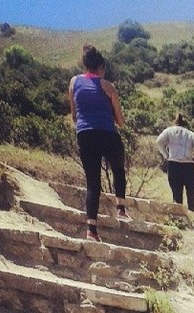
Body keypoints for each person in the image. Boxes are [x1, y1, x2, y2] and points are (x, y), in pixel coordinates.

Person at [68, 44, 129, 242]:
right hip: (107, 134)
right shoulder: (108, 86)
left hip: (85, 134)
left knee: (93, 183)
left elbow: (74, 115)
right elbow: (120, 121)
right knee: (118, 169)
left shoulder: (74, 82)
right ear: (101, 66)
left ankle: (92, 231)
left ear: (84, 64)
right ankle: (120, 209)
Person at [156, 114, 194, 212]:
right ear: (186, 124)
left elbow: (159, 142)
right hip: (189, 167)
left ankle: (179, 220)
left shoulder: (169, 131)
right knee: (192, 198)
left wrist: (166, 155)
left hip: (174, 165)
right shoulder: (191, 134)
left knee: (177, 197)